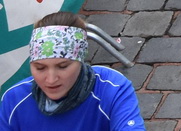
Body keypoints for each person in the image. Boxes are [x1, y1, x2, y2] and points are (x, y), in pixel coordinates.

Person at [2, 13, 148, 129]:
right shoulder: (14, 99)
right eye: (40, 68)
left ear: (81, 60)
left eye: (63, 66)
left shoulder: (111, 88)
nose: (51, 79)